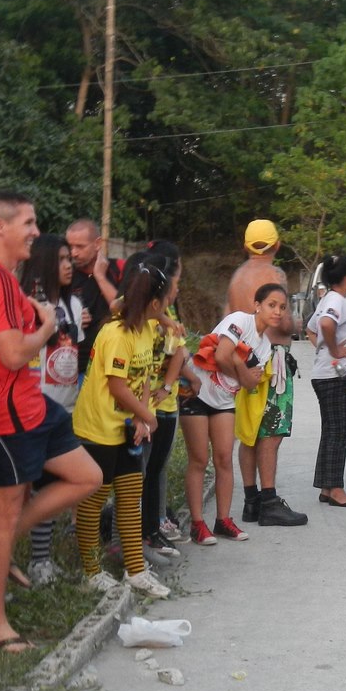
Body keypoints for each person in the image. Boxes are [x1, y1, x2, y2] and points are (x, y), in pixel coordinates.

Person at [0, 192, 101, 647]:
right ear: (0, 228)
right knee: (3, 516)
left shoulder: (5, 278)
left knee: (87, 476)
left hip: (35, 407)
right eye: (28, 223)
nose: (36, 232)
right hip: (7, 416)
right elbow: (11, 353)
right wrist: (45, 327)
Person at [70, 254, 174, 597]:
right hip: (98, 428)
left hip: (127, 427)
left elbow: (143, 378)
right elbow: (116, 386)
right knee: (94, 500)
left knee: (130, 497)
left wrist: (142, 416)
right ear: (154, 303)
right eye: (166, 301)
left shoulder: (147, 329)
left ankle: (136, 571)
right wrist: (149, 416)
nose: (168, 307)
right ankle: (91, 572)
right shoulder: (117, 333)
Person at [180, 285, 281, 544]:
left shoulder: (265, 346)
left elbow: (250, 383)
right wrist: (239, 365)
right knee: (199, 459)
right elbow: (222, 355)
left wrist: (236, 362)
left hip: (224, 401)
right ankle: (197, 524)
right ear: (257, 305)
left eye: (282, 307)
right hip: (197, 394)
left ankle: (223, 520)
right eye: (271, 305)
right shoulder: (239, 321)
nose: (277, 311)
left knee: (224, 459)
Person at [227, 219, 306, 527]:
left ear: (246, 245)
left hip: (244, 359)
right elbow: (282, 322)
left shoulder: (237, 278)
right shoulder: (275, 275)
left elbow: (229, 318)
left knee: (249, 432)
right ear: (277, 245)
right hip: (273, 362)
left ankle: (252, 501)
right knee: (271, 432)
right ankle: (270, 501)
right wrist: (294, 323)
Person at [18, 231, 83, 582]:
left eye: (69, 258)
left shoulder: (73, 305)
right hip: (36, 404)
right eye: (61, 259)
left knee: (56, 483)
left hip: (66, 405)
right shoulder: (29, 304)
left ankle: (41, 558)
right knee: (36, 485)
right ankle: (33, 559)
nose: (68, 265)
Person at [140, 241, 187, 563]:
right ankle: (141, 535)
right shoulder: (142, 318)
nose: (177, 287)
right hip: (146, 409)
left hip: (164, 405)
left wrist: (169, 387)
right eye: (175, 281)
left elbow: (178, 352)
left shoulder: (167, 315)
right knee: (141, 474)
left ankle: (152, 529)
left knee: (155, 470)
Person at [308, 255, 346, 508]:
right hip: (334, 376)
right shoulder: (336, 300)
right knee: (340, 432)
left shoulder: (326, 299)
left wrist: (324, 350)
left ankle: (327, 487)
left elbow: (311, 329)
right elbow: (326, 324)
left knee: (332, 431)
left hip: (328, 373)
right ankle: (336, 490)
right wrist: (334, 350)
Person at [65, 217, 121, 374]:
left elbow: (127, 311)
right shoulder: (65, 274)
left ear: (98, 243)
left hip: (113, 365)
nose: (73, 253)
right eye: (70, 247)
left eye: (80, 246)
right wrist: (72, 318)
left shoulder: (119, 268)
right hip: (75, 366)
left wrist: (100, 277)